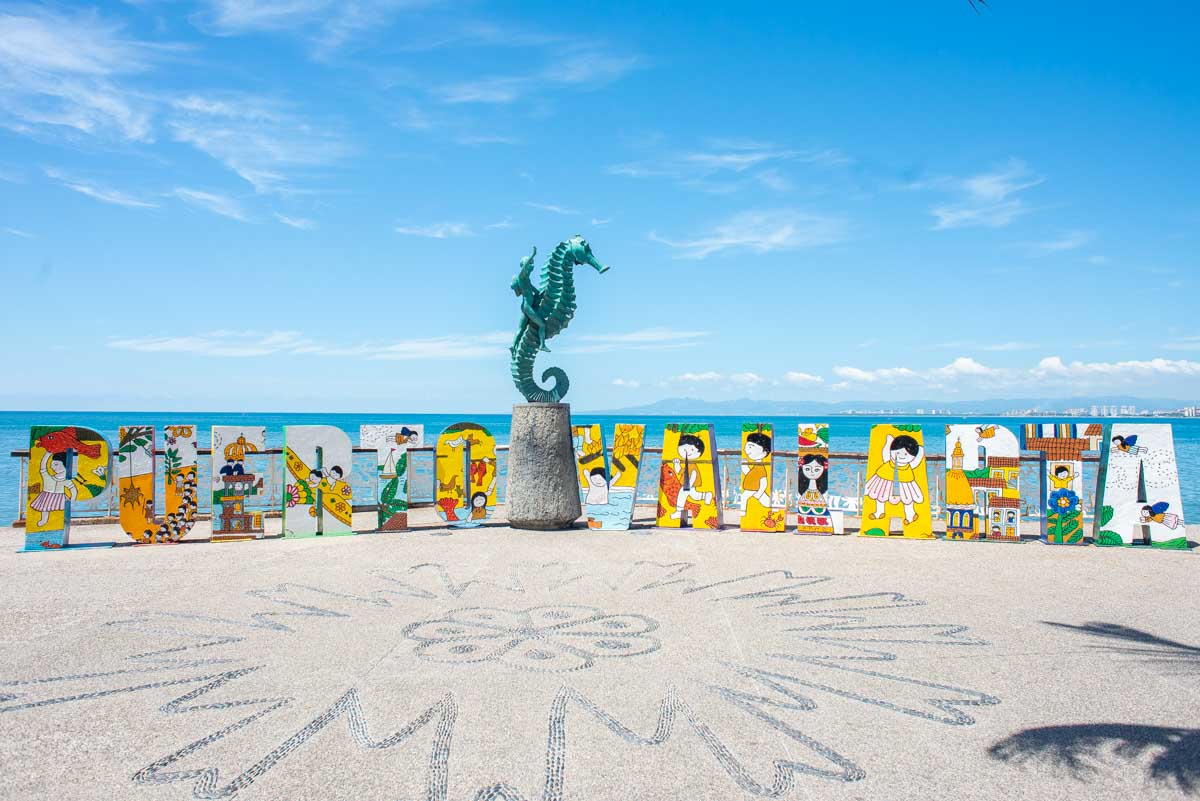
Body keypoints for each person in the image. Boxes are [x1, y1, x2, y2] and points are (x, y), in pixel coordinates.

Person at [863, 434, 924, 524]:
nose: (901, 456)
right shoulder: (889, 461)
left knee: (908, 499)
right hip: (884, 478)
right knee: (880, 496)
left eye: (906, 454)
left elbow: (916, 462)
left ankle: (910, 515)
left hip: (905, 482)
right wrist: (888, 442)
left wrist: (921, 452)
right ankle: (879, 512)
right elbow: (885, 453)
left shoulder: (908, 466)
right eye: (898, 453)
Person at [670, 434, 713, 520]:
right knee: (695, 496)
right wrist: (676, 464)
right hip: (688, 484)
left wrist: (689, 484)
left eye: (692, 449)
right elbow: (679, 471)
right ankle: (706, 495)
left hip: (688, 484)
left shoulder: (692, 465)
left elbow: (694, 474)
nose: (688, 452)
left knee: (682, 494)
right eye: (684, 449)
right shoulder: (688, 464)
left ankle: (679, 511)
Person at [29, 451, 74, 527]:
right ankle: (44, 519)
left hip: (59, 497)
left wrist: (72, 498)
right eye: (52, 465)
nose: (52, 467)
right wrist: (47, 454)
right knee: (45, 508)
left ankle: (60, 520)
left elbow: (72, 489)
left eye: (56, 464)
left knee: (61, 509)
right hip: (47, 496)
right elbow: (43, 467)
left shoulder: (66, 480)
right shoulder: (47, 477)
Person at [740, 432, 772, 511]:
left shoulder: (761, 468)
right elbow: (750, 475)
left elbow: (764, 483)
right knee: (765, 501)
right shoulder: (756, 466)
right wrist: (745, 467)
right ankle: (773, 509)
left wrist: (759, 493)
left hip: (754, 488)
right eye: (746, 447)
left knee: (744, 497)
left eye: (750, 447)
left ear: (764, 453)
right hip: (753, 488)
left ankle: (743, 512)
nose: (746, 450)